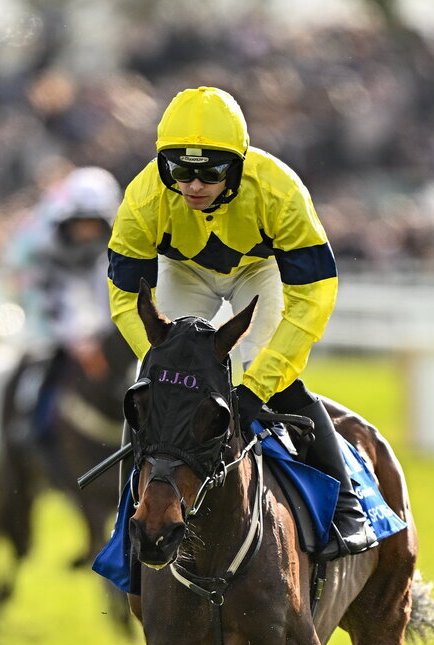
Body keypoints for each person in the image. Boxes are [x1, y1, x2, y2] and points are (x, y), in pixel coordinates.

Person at [107, 86, 377, 560]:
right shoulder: (144, 196)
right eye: (179, 170)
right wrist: (161, 357)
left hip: (260, 270)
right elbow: (128, 296)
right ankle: (128, 519)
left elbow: (312, 296)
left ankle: (346, 508)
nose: (192, 185)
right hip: (182, 271)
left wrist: (256, 386)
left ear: (237, 165)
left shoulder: (280, 190)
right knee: (151, 385)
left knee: (273, 378)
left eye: (209, 171)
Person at [4, 166, 123, 439]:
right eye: (81, 221)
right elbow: (49, 295)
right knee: (44, 360)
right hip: (47, 309)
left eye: (94, 222)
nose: (87, 230)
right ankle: (27, 421)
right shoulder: (45, 243)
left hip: (94, 312)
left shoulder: (114, 244)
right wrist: (76, 340)